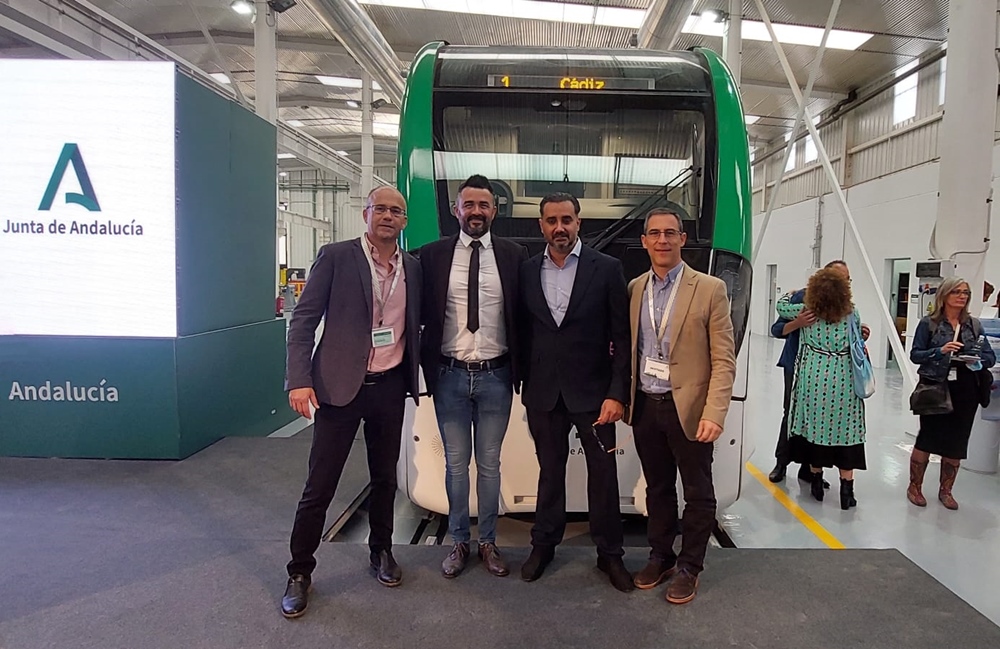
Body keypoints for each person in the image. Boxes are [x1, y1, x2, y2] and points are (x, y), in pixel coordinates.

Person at [280, 187, 422, 619]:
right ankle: (300, 572)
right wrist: (299, 379)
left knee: (385, 479)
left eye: (396, 211)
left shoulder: (412, 268)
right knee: (320, 486)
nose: (387, 216)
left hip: (389, 387)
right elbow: (304, 320)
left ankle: (381, 551)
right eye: (380, 209)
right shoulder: (337, 256)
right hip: (338, 388)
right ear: (366, 214)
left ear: (404, 221)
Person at [517, 192, 633, 592]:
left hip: (595, 396)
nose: (559, 227)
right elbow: (521, 330)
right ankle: (543, 546)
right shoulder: (527, 270)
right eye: (551, 220)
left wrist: (617, 392)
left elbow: (622, 336)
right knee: (550, 474)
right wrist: (522, 381)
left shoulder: (607, 269)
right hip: (544, 394)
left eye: (567, 219)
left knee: (603, 476)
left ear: (579, 222)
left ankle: (610, 555)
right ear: (541, 225)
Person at [624, 208, 736, 605]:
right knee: (657, 489)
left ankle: (690, 566)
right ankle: (661, 555)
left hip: (688, 408)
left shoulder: (709, 289)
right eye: (654, 233)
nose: (662, 240)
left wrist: (714, 412)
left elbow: (724, 359)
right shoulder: (636, 287)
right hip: (646, 406)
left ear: (683, 239)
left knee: (698, 492)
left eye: (670, 233)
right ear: (644, 242)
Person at [419, 175, 528, 578]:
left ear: (495, 211)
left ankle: (489, 542)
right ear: (456, 210)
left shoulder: (515, 256)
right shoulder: (431, 256)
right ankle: (459, 541)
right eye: (469, 205)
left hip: (496, 377)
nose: (477, 212)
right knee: (454, 464)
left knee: (489, 464)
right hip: (449, 376)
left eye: (484, 205)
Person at [768, 260, 869, 485]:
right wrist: (797, 323)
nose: (844, 283)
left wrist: (860, 333)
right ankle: (781, 463)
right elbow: (776, 330)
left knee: (817, 418)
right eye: (840, 277)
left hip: (817, 370)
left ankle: (811, 469)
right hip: (796, 365)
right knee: (792, 414)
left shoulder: (846, 306)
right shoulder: (802, 299)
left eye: (847, 279)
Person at [908, 277, 996, 510]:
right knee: (927, 437)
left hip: (966, 387)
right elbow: (916, 354)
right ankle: (914, 486)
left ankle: (946, 490)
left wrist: (977, 360)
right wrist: (940, 351)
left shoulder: (973, 325)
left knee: (957, 441)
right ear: (945, 295)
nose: (962, 296)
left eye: (965, 292)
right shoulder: (929, 324)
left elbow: (990, 357)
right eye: (956, 291)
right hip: (935, 384)